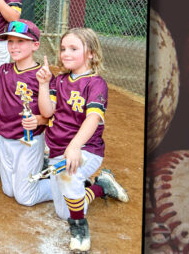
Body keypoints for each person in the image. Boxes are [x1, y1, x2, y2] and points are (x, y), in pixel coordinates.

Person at [36, 28, 129, 252]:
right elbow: (47, 112)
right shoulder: (59, 81)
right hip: (60, 151)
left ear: (92, 54)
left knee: (70, 175)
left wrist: (75, 146)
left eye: (74, 49)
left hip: (87, 149)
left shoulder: (96, 84)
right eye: (63, 48)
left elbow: (93, 119)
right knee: (63, 211)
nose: (66, 53)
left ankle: (79, 227)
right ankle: (101, 187)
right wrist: (43, 84)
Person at [0, 20, 51, 201]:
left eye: (20, 41)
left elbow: (50, 114)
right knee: (9, 191)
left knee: (25, 198)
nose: (14, 46)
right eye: (10, 41)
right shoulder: (3, 70)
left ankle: (67, 185)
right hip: (4, 138)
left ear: (35, 45)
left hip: (28, 140)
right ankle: (39, 171)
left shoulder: (42, 74)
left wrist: (38, 119)